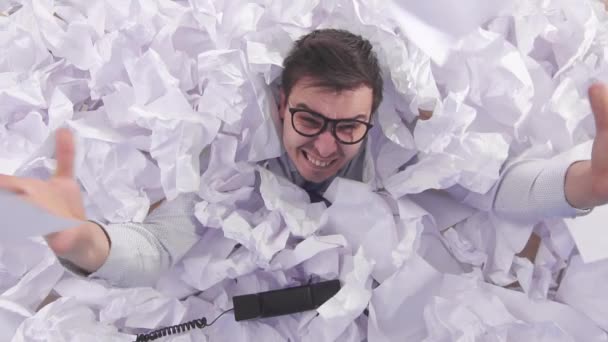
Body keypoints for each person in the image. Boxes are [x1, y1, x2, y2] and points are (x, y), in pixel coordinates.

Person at [0, 29, 607, 287]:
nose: (323, 147)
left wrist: (586, 183)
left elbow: (494, 186)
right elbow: (160, 243)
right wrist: (82, 241)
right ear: (277, 105)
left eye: (348, 128)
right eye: (309, 120)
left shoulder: (386, 139)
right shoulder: (233, 150)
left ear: (371, 119)